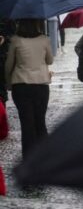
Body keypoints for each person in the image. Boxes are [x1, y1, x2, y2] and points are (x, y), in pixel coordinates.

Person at [5, 19, 53, 158]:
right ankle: (45, 156)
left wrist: (9, 83)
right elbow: (50, 60)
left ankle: (28, 158)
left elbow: (9, 65)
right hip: (41, 85)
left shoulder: (15, 40)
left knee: (27, 124)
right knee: (40, 121)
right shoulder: (44, 39)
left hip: (21, 85)